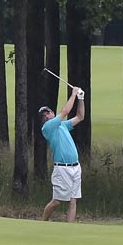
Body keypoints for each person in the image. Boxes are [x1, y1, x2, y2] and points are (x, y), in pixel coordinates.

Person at [39, 86, 86, 223]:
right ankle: (43, 222)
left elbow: (80, 117)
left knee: (73, 201)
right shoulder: (47, 127)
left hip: (75, 167)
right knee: (57, 201)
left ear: (52, 113)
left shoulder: (63, 125)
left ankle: (69, 229)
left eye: (47, 112)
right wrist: (73, 94)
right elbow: (65, 111)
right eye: (44, 115)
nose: (46, 115)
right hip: (62, 169)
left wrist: (81, 98)